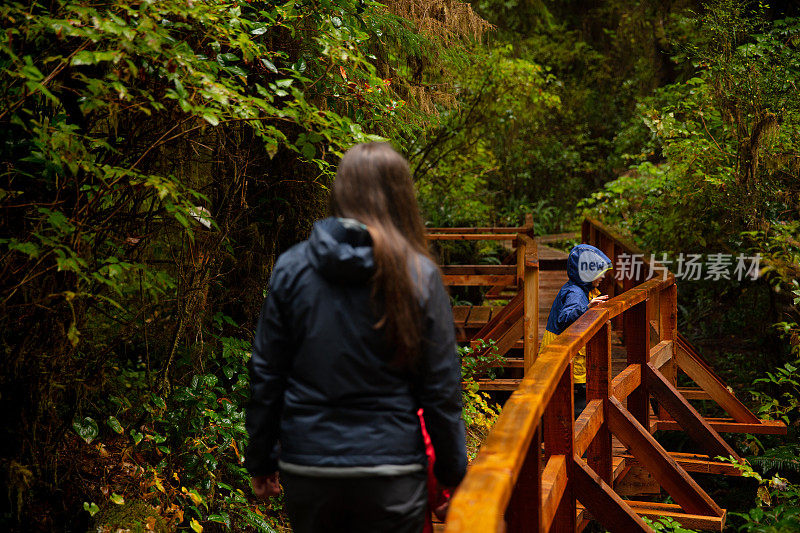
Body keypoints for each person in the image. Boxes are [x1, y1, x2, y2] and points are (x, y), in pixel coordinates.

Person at [245, 142, 467, 532]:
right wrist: (452, 473)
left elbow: (267, 375)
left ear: (340, 191)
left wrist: (262, 459)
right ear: (401, 198)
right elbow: (440, 391)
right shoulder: (418, 275)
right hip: (392, 471)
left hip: (309, 469)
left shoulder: (292, 268)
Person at [539, 244, 612, 417]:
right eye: (598, 272)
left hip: (565, 360)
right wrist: (586, 308)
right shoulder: (575, 293)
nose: (603, 276)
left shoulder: (581, 289)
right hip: (566, 362)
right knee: (576, 412)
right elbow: (565, 317)